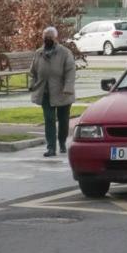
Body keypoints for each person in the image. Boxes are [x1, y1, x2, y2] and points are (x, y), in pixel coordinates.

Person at [28, 24, 77, 158]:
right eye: (45, 37)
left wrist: (68, 88)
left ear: (56, 38)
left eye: (50, 37)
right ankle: (51, 147)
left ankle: (61, 142)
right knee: (49, 119)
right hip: (45, 92)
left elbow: (70, 72)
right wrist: (32, 84)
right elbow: (32, 72)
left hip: (62, 93)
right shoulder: (39, 53)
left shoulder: (65, 53)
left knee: (63, 120)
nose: (47, 40)